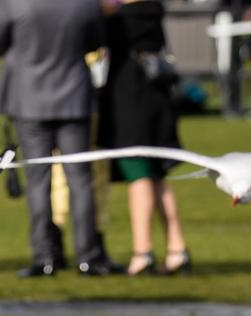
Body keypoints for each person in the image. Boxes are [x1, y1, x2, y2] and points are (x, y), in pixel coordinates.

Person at [0, 0, 119, 277]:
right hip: (74, 96)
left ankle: (45, 256)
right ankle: (88, 255)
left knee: (38, 179)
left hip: (29, 99)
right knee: (80, 179)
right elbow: (95, 41)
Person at [98, 0, 189, 275]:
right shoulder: (152, 12)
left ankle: (143, 251)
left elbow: (92, 40)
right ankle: (177, 248)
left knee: (138, 175)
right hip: (156, 103)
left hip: (130, 104)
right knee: (158, 177)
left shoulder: (120, 20)